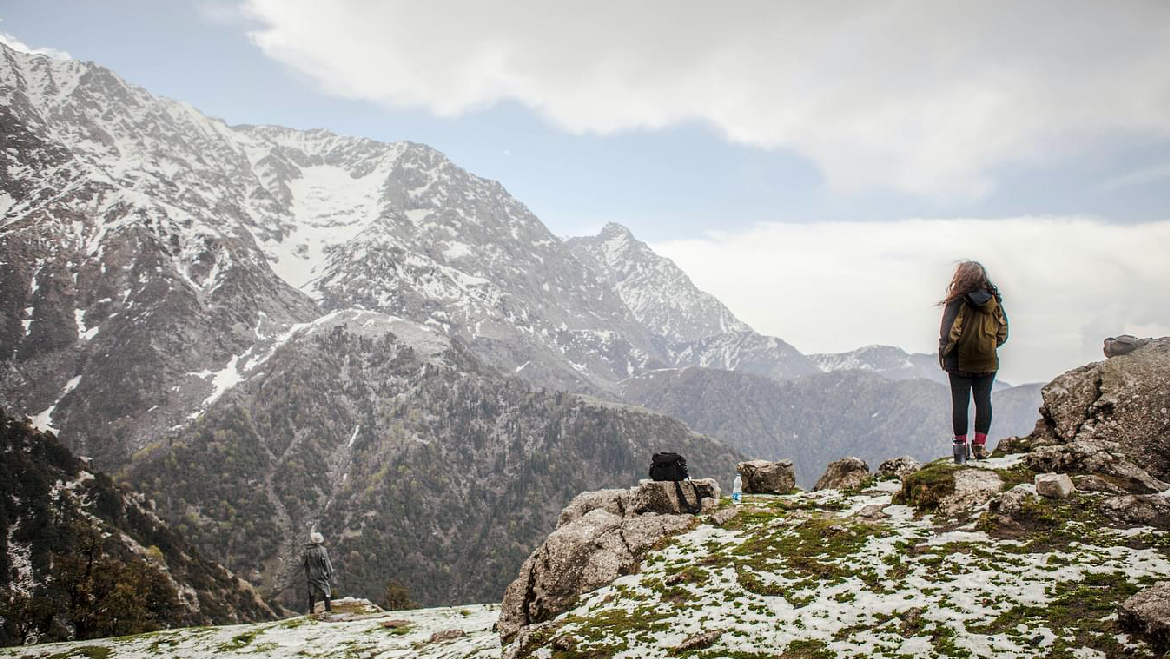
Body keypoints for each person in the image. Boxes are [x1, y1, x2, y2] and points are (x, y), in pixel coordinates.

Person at [938, 261, 1008, 463]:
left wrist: (945, 353)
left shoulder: (957, 302)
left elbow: (948, 332)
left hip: (959, 362)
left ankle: (960, 453)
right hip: (987, 361)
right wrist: (988, 346)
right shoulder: (995, 302)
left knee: (960, 404)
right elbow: (1003, 332)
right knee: (983, 401)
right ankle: (980, 446)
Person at [302, 530, 333, 614]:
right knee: (327, 590)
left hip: (310, 575)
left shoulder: (306, 550)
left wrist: (307, 572)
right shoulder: (322, 550)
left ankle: (312, 611)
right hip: (320, 574)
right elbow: (327, 563)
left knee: (311, 591)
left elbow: (303, 563)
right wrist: (329, 574)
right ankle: (328, 609)